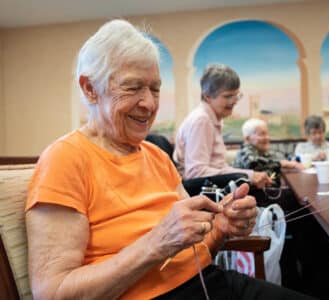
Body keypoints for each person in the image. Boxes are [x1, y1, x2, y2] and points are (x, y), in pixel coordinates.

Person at [25, 20, 313, 300]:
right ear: (90, 88)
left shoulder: (156, 156)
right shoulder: (64, 159)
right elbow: (53, 292)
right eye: (133, 87)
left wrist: (222, 228)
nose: (149, 104)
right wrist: (156, 243)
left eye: (154, 88)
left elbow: (193, 255)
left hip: (209, 284)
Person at [173, 64, 271, 190]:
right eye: (228, 96)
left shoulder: (210, 119)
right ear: (207, 96)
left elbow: (218, 168)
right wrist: (248, 175)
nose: (234, 101)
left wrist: (249, 175)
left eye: (236, 95)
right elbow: (195, 173)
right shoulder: (202, 121)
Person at [233, 118, 304, 187]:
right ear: (248, 139)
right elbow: (254, 163)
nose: (267, 138)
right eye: (262, 134)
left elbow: (273, 162)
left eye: (267, 134)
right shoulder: (245, 151)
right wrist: (281, 163)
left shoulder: (261, 151)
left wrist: (288, 162)